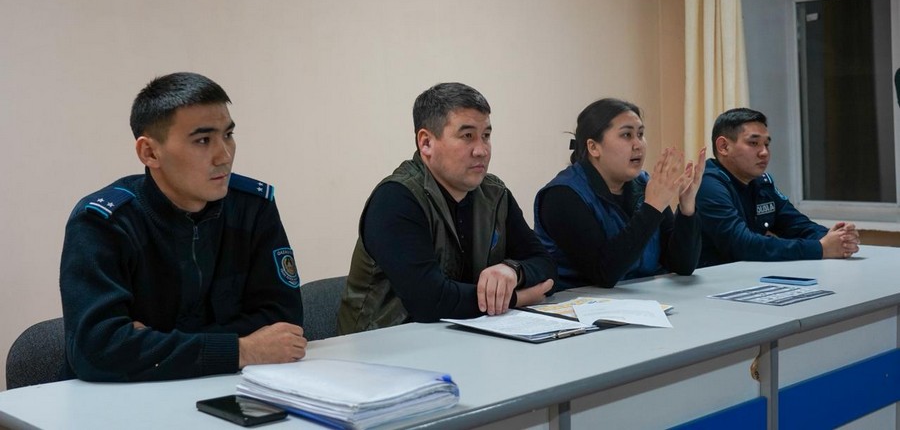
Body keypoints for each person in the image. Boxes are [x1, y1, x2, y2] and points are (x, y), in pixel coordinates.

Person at [60, 72, 307, 382]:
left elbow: (285, 325)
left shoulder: (252, 207)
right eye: (203, 140)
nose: (224, 155)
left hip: (233, 388)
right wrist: (242, 350)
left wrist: (152, 343)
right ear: (150, 153)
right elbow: (98, 350)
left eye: (228, 134)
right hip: (125, 399)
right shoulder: (103, 222)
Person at [337, 82, 557, 334]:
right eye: (467, 136)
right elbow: (429, 301)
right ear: (426, 143)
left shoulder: (494, 194)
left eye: (486, 136)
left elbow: (546, 265)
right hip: (383, 345)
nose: (482, 150)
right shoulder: (396, 198)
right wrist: (518, 298)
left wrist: (513, 271)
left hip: (462, 337)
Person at [533, 98, 704, 290]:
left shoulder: (644, 184)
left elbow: (682, 266)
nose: (638, 144)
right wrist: (652, 207)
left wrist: (687, 210)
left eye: (640, 134)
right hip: (578, 301)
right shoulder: (562, 195)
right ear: (594, 147)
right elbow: (604, 273)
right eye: (626, 135)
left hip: (641, 298)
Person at [696, 107, 860, 266]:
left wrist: (838, 237)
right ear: (724, 147)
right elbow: (742, 245)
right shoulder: (707, 184)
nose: (764, 152)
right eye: (753, 143)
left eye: (766, 144)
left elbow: (797, 225)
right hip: (712, 278)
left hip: (748, 275)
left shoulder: (761, 183)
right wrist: (820, 248)